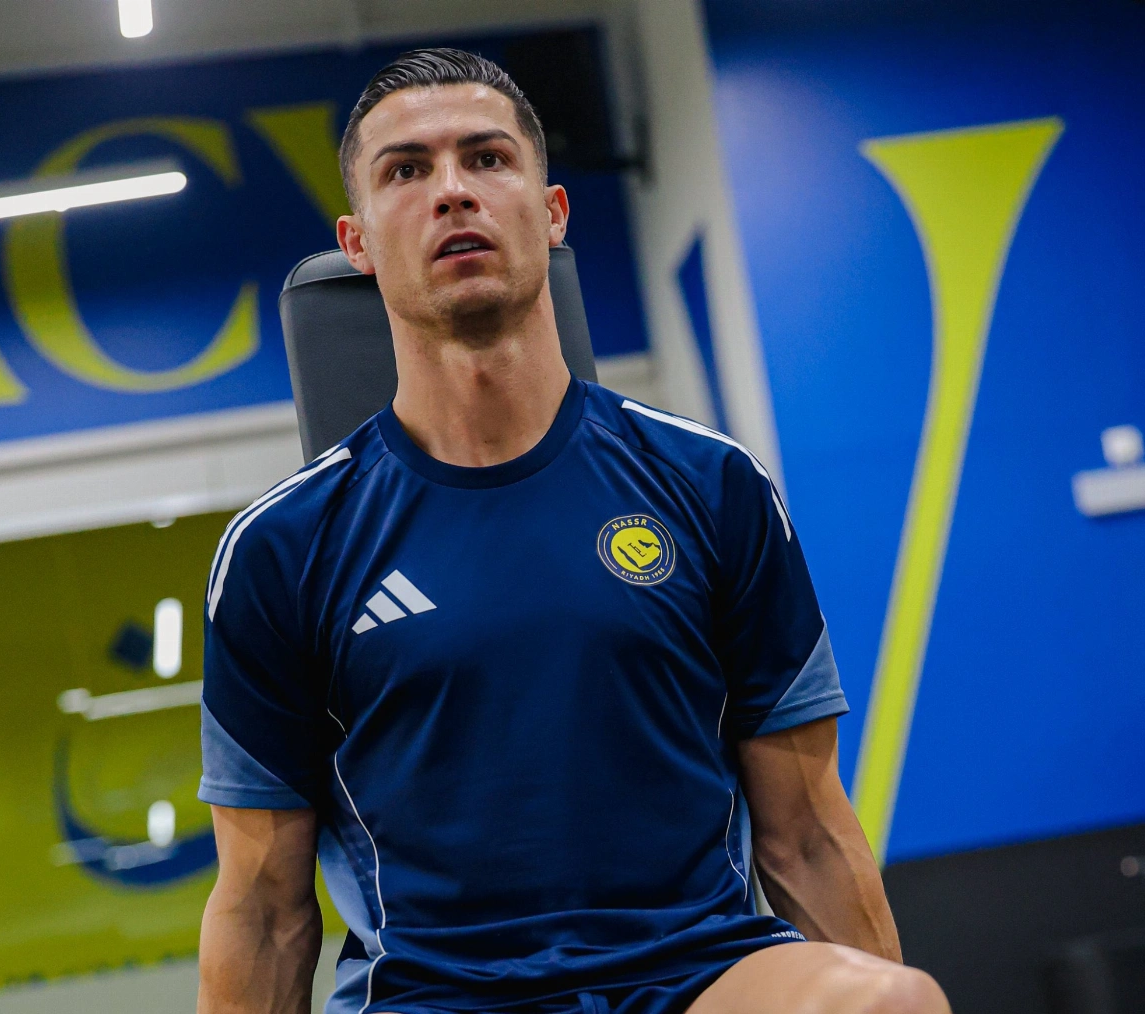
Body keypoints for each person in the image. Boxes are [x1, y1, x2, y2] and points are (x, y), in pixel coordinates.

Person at [196, 48, 950, 1014]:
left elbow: (805, 834)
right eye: (407, 170)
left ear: (552, 213)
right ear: (360, 243)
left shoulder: (711, 484)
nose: (453, 191)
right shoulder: (281, 549)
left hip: (696, 970)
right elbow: (262, 909)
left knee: (891, 1004)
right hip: (438, 994)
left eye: (487, 158)